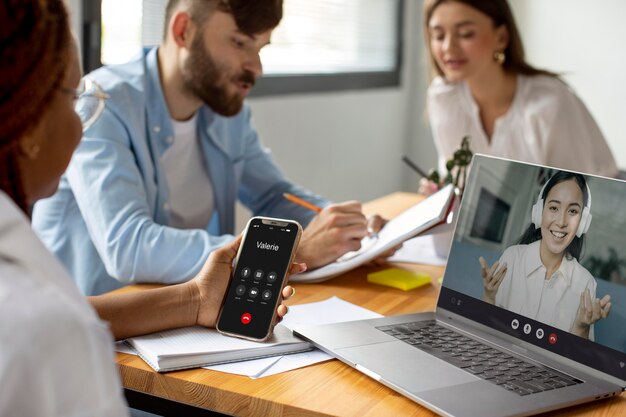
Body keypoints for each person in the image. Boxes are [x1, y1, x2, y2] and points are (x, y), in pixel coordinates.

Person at [0, 1, 298, 414]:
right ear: (24, 118)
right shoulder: (40, 331)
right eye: (74, 98)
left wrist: (194, 299)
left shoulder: (225, 111)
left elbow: (71, 311)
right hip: (122, 366)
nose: (84, 116)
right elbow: (119, 257)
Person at [32, 0, 391, 296]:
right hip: (96, 333)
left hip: (180, 315)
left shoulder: (224, 108)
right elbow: (127, 247)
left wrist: (344, 229)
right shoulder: (103, 104)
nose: (256, 67)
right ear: (183, 30)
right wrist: (285, 252)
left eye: (260, 48)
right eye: (239, 43)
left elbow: (274, 195)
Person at [420, 0, 618, 194]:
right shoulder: (444, 97)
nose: (448, 47)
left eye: (466, 34)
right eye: (438, 35)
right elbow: (458, 184)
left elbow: (580, 198)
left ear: (502, 37)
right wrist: (442, 192)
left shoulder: (548, 106)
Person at [479, 171, 611, 340]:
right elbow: (485, 332)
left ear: (582, 223)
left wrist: (581, 327)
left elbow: (573, 361)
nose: (561, 222)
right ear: (539, 212)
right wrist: (488, 297)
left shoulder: (585, 283)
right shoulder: (512, 258)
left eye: (572, 211)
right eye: (554, 208)